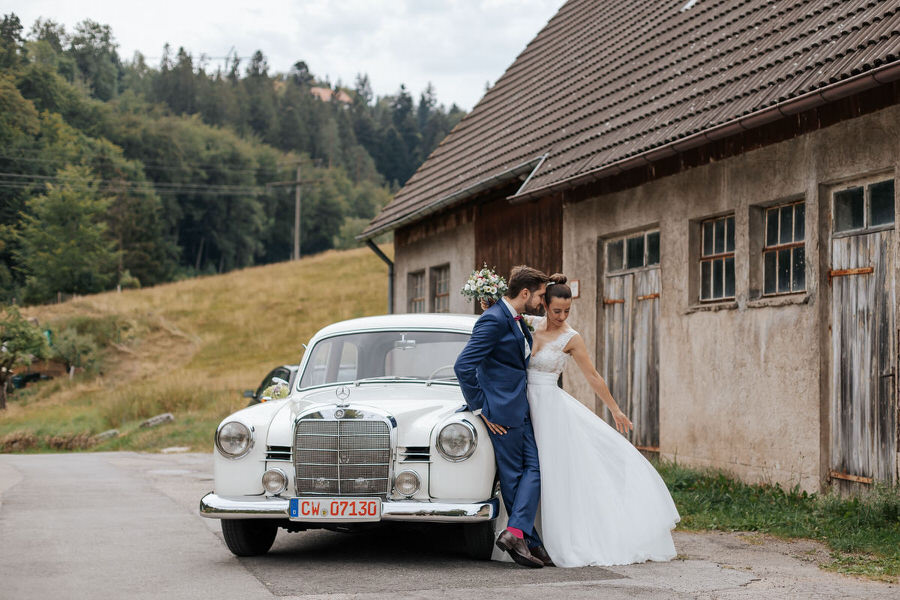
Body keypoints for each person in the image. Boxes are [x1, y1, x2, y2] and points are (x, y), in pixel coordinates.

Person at [523, 273, 680, 567]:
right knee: (530, 469)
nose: (562, 316)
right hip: (525, 405)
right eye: (557, 310)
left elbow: (593, 376)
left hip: (550, 410)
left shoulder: (572, 337)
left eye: (567, 311)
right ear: (543, 303)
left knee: (553, 471)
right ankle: (527, 535)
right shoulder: (529, 326)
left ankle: (563, 537)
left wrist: (615, 409)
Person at [453, 265, 552, 568]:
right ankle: (524, 540)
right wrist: (482, 408)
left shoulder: (512, 317)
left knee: (533, 469)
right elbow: (463, 366)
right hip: (499, 411)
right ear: (525, 293)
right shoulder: (494, 320)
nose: (541, 301)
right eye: (540, 296)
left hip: (517, 408)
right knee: (515, 477)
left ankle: (518, 535)